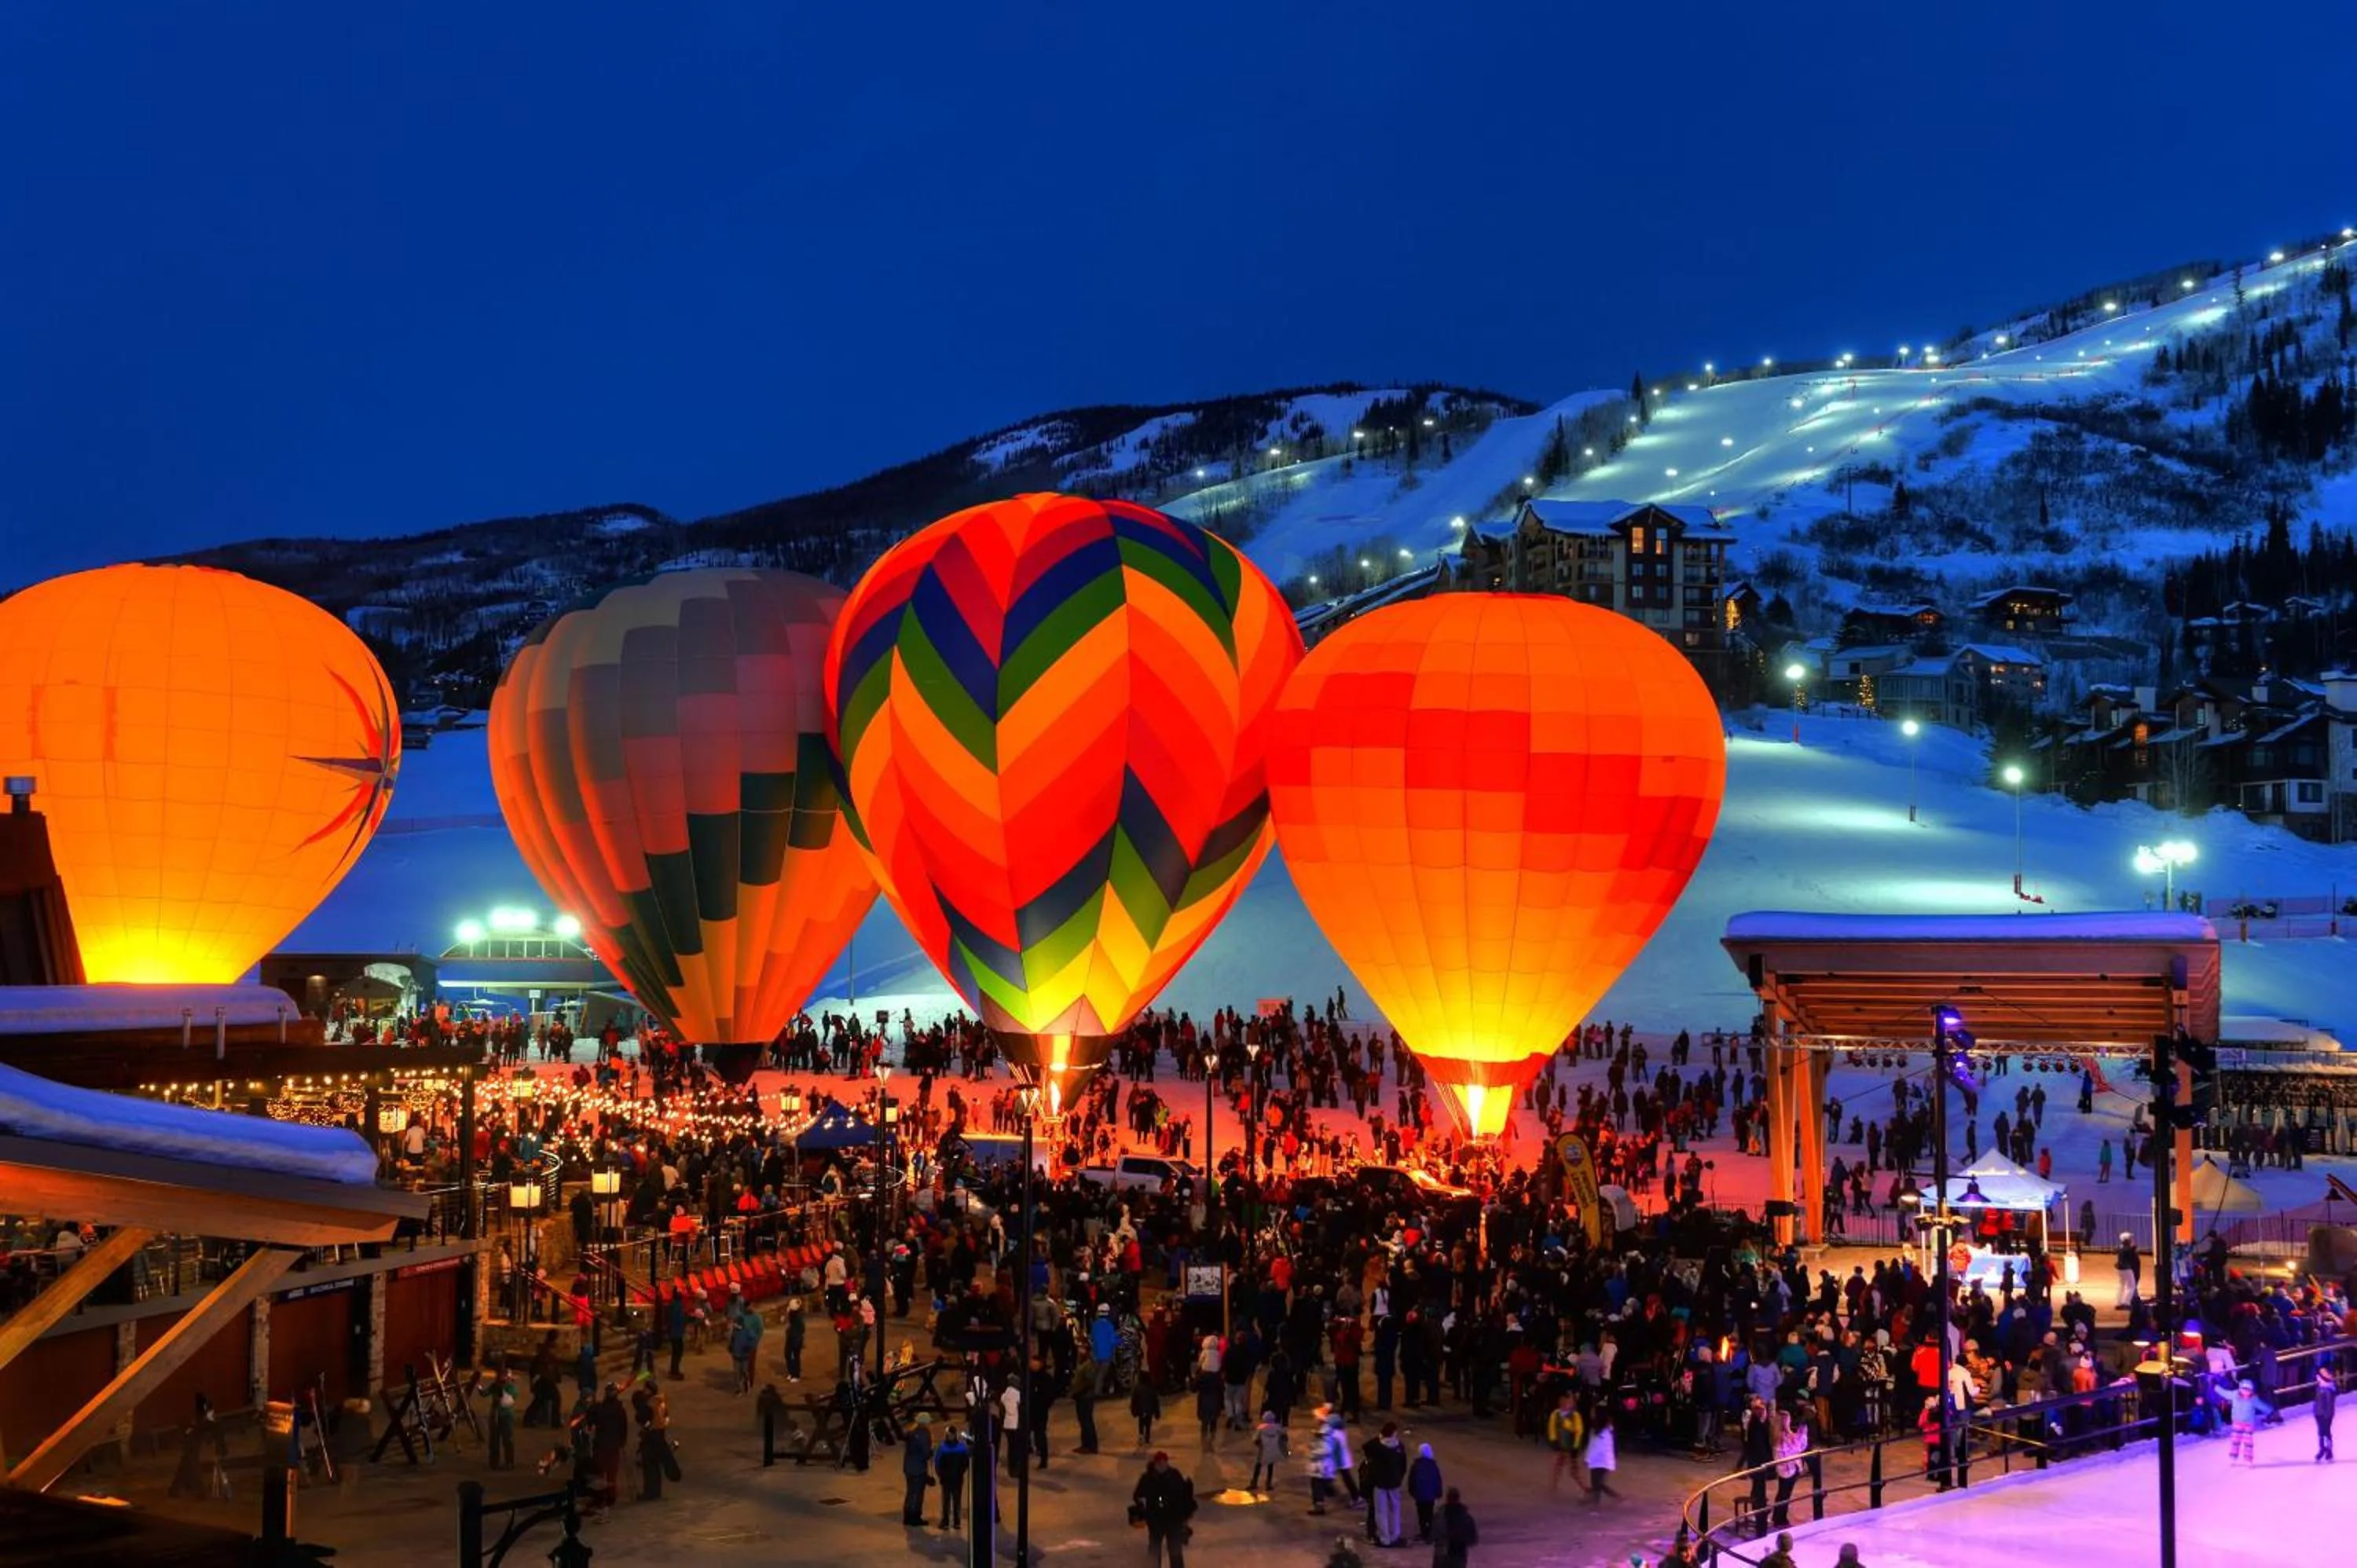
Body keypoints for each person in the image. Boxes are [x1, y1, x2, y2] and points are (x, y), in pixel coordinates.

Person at [1133, 1449, 1197, 1568]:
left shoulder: (1174, 1475)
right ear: (1155, 1464)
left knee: (1174, 1549)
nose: (1162, 1465)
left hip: (1173, 1519)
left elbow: (1183, 1495)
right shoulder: (1147, 1478)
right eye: (1160, 1463)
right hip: (1156, 1519)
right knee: (1155, 1548)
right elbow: (1138, 1495)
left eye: (1164, 1462)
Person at [1363, 1419, 1407, 1545]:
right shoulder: (1399, 1447)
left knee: (1380, 1511)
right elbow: (1403, 1465)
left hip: (1380, 1483)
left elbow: (1366, 1447)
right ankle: (1395, 1536)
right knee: (1395, 1509)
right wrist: (1399, 1477)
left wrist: (1379, 1437)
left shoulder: (1378, 1446)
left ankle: (1384, 1538)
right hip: (1394, 1483)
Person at [1547, 1388, 1585, 1496]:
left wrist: (1576, 1446)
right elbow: (1552, 1428)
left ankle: (1584, 1488)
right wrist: (1553, 1440)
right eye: (1563, 1400)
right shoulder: (1556, 1414)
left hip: (1570, 1448)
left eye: (1568, 1401)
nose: (1565, 1403)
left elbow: (1579, 1431)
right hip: (1559, 1447)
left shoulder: (1575, 1416)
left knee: (1574, 1471)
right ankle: (1553, 1488)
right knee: (1557, 1467)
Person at [935, 1420, 971, 1530]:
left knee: (946, 1501)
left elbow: (937, 1463)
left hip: (946, 1479)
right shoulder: (962, 1448)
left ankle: (945, 1522)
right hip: (957, 1478)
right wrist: (961, 1472)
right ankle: (957, 1522)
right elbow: (966, 1463)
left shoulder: (942, 1448)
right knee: (957, 1500)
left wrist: (941, 1475)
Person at [2228, 1378, 2272, 1464]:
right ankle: (2233, 1456)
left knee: (2248, 1442)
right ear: (2240, 1389)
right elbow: (2224, 1393)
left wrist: (2270, 1411)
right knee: (2235, 1440)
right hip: (2237, 1423)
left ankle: (2248, 1458)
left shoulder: (2253, 1399)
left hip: (2248, 1424)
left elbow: (2262, 1405)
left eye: (2249, 1390)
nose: (2246, 1392)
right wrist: (2215, 1386)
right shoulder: (2234, 1395)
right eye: (2245, 1389)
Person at [901, 1413, 935, 1525]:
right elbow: (926, 1453)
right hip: (918, 1468)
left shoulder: (911, 1432)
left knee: (910, 1492)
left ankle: (907, 1516)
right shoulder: (924, 1434)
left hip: (908, 1466)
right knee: (918, 1493)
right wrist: (931, 1452)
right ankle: (915, 1517)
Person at [1432, 1485, 1478, 1568]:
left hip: (1442, 1553)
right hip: (1459, 1554)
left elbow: (1433, 1535)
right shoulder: (1466, 1517)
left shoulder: (1439, 1516)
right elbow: (1473, 1539)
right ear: (1458, 1498)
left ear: (1447, 1499)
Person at [1407, 1441, 1442, 1543]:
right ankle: (1430, 1533)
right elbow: (1438, 1479)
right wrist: (1438, 1492)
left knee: (1422, 1514)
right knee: (1430, 1513)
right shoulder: (1433, 1465)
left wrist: (1412, 1491)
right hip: (1431, 1495)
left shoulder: (1417, 1465)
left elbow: (1412, 1479)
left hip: (1420, 1495)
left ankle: (1424, 1532)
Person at [1585, 1407, 1619, 1505]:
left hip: (1600, 1461)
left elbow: (1595, 1447)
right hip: (1602, 1462)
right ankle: (1595, 1501)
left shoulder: (1603, 1432)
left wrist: (1588, 1458)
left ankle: (1617, 1497)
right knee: (1597, 1484)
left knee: (1598, 1484)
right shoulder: (1607, 1431)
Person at [487, 1364, 519, 1470]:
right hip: (495, 1416)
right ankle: (494, 1462)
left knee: (507, 1440)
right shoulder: (495, 1386)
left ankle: (509, 1462)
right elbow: (484, 1393)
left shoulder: (512, 1388)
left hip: (506, 1416)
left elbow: (506, 1402)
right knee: (494, 1441)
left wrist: (500, 1391)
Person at [1248, 1409, 1287, 1494]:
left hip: (1263, 1450)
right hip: (1273, 1450)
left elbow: (1255, 1439)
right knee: (1270, 1467)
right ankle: (1268, 1483)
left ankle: (1254, 1482)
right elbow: (1284, 1435)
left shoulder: (1261, 1428)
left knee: (1258, 1466)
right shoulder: (1277, 1427)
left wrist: (1259, 1445)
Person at [1131, 1372, 1162, 1447]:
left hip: (1141, 1409)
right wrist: (1157, 1413)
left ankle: (1141, 1436)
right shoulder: (1151, 1388)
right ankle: (1147, 1437)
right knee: (1148, 1424)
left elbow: (1134, 1400)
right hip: (1149, 1410)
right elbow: (1155, 1401)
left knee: (1141, 1423)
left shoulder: (1137, 1388)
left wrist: (1134, 1410)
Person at [2317, 1364, 2339, 1463]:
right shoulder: (2320, 1385)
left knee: (2326, 1431)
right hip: (2319, 1412)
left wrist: (2328, 1414)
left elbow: (2330, 1402)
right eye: (2322, 1372)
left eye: (2325, 1372)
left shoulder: (2330, 1388)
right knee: (2321, 1432)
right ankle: (2322, 1448)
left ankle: (2329, 1450)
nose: (2323, 1374)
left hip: (2327, 1413)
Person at [2113, 1233, 2139, 1309]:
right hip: (2126, 1269)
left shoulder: (2121, 1248)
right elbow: (2132, 1255)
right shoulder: (2128, 1249)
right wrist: (2134, 1248)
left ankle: (2118, 1302)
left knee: (2121, 1285)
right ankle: (2126, 1302)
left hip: (2120, 1269)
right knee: (2131, 1286)